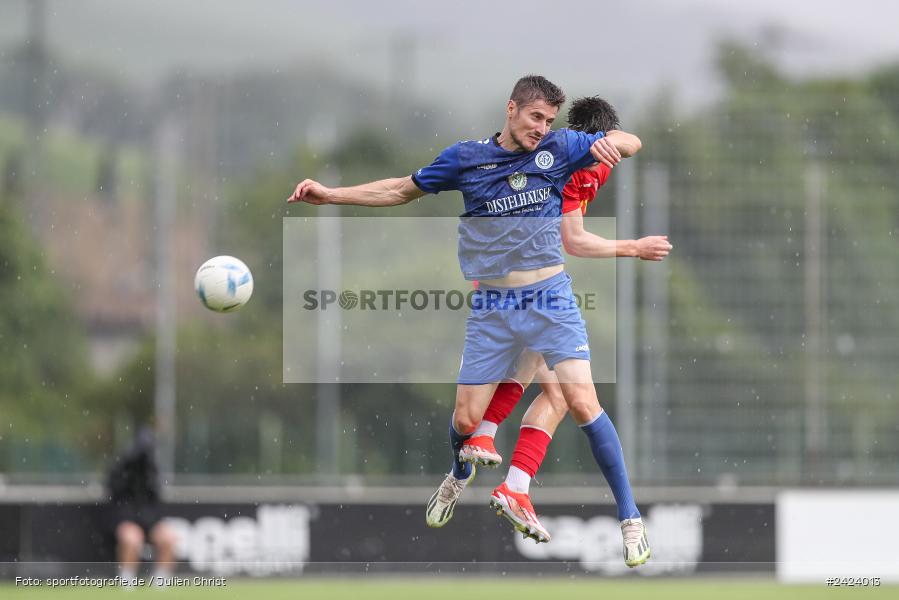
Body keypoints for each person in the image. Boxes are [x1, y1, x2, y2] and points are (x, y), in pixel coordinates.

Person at [288, 75, 648, 566]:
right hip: (493, 308)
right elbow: (399, 189)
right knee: (464, 419)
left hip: (550, 299)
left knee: (581, 401)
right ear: (511, 109)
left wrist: (612, 145)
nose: (542, 128)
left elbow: (631, 140)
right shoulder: (466, 159)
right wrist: (330, 195)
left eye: (548, 120)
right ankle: (459, 474)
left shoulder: (563, 148)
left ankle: (630, 520)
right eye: (535, 117)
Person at [457, 97, 671, 557]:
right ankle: (492, 455)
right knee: (568, 393)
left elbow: (628, 142)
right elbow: (572, 239)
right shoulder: (579, 166)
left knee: (555, 390)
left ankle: (510, 481)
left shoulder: (580, 157)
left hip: (520, 280)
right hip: (519, 285)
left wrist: (623, 142)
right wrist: (634, 246)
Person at [105, 427, 177, 586]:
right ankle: (127, 580)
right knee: (132, 538)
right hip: (125, 518)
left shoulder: (152, 469)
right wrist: (127, 465)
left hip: (149, 519)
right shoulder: (122, 465)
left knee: (169, 538)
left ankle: (161, 582)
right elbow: (113, 490)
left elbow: (156, 496)